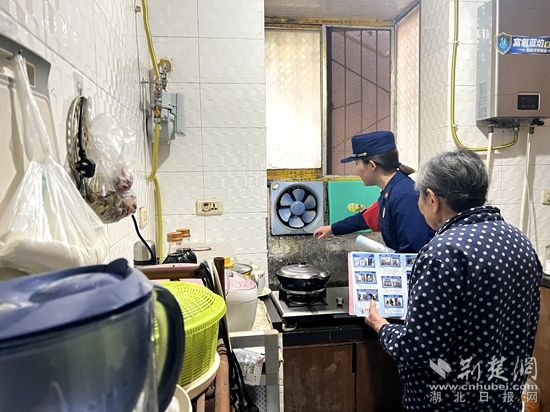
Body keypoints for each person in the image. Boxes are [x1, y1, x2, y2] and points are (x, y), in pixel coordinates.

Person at [365, 149, 542, 411]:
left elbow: (418, 349)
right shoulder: (519, 241)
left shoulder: (442, 252)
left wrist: (381, 326)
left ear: (432, 199)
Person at [313, 131, 434, 253]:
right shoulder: (391, 192)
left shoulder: (404, 196)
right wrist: (332, 228)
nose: (356, 170)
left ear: (372, 165)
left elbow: (413, 252)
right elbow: (366, 218)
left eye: (357, 164)